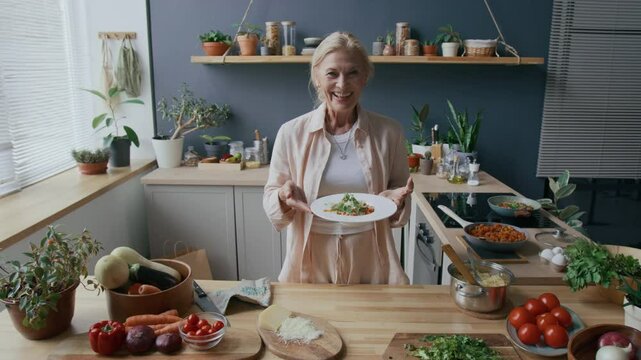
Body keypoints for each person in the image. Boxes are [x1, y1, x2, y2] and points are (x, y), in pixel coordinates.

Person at [263, 31, 413, 285]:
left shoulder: (390, 132)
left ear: (364, 77)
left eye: (352, 73)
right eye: (332, 73)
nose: (342, 85)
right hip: (311, 254)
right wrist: (281, 196)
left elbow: (400, 199)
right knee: (310, 322)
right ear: (317, 78)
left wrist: (397, 202)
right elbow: (271, 198)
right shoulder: (291, 133)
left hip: (370, 253)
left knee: (372, 323)